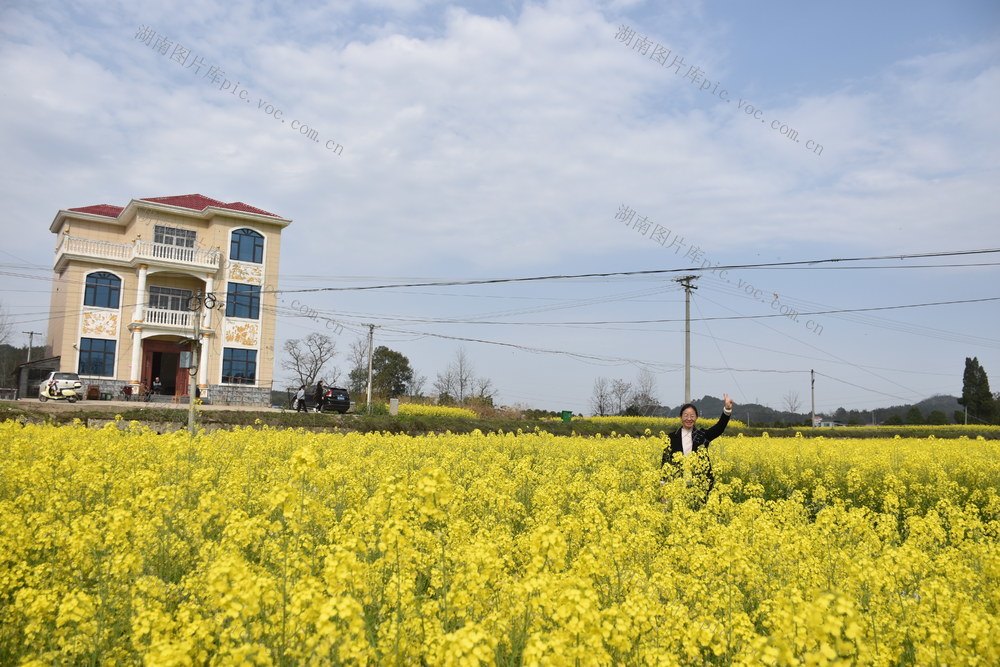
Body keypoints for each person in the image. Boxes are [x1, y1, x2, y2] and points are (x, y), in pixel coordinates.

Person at [661, 393, 735, 500]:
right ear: (681, 417)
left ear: (696, 418)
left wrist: (727, 410)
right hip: (677, 486)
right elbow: (665, 461)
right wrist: (663, 485)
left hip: (700, 484)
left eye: (692, 416)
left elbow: (719, 428)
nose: (689, 419)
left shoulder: (701, 435)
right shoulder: (671, 437)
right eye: (686, 415)